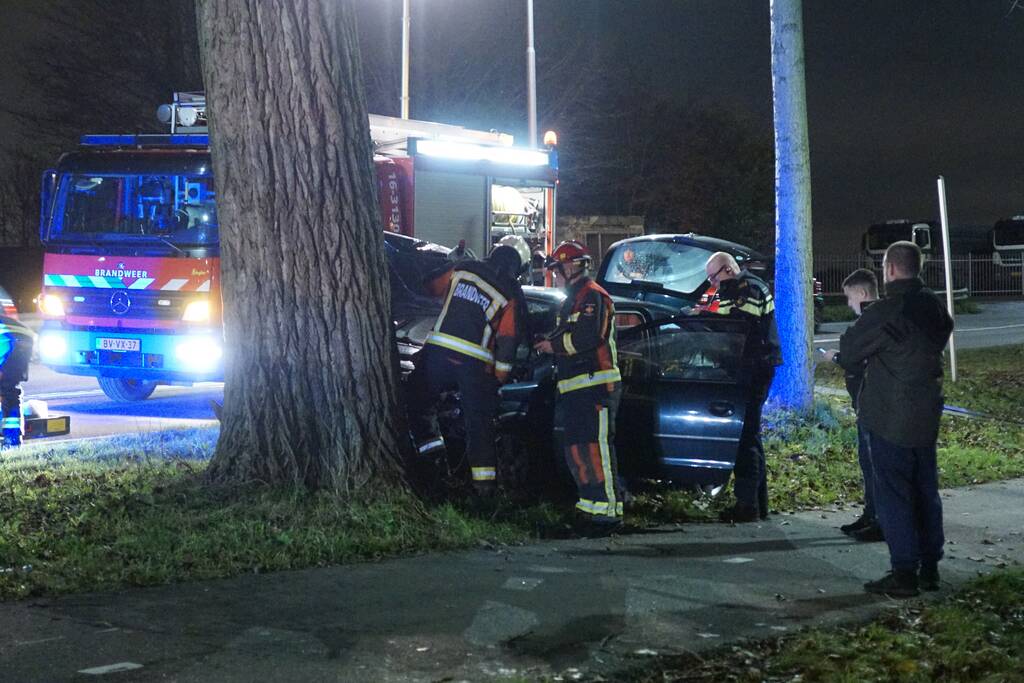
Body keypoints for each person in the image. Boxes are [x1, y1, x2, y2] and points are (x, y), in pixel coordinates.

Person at [838, 241, 953, 598]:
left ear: (888, 269)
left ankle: (904, 572)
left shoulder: (887, 310)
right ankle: (930, 567)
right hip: (925, 412)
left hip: (890, 416)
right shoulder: (933, 305)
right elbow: (943, 329)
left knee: (894, 495)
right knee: (925, 492)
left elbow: (851, 351)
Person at [406, 237, 528, 497]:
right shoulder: (510, 293)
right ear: (518, 267)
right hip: (474, 365)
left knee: (416, 402)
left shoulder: (464, 268)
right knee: (479, 426)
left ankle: (433, 465)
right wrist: (498, 379)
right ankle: (484, 492)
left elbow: (431, 287)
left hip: (438, 354)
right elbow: (508, 343)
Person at [533, 240, 624, 536]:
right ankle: (590, 509)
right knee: (579, 452)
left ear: (571, 266)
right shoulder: (570, 300)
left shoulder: (593, 297)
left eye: (557, 269)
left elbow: (587, 338)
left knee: (596, 450)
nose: (555, 275)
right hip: (576, 389)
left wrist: (552, 345)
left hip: (595, 386)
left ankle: (608, 512)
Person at [697, 252, 782, 523]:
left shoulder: (749, 289)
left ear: (728, 269)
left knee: (746, 437)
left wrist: (703, 321)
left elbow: (737, 330)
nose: (712, 283)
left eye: (713, 276)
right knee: (750, 436)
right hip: (748, 368)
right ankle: (756, 503)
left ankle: (748, 506)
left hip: (755, 369)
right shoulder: (731, 290)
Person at [823, 269, 882, 542]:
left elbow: (852, 356)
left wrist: (836, 357)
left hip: (875, 406)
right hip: (866, 403)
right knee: (867, 462)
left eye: (849, 297)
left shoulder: (872, 322)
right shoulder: (877, 320)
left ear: (861, 293)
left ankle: (879, 519)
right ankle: (871, 514)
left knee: (874, 463)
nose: (848, 304)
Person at [1, 313, 35, 449]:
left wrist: (4, 370)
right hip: (13, 346)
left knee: (8, 391)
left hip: (18, 350)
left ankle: (12, 438)